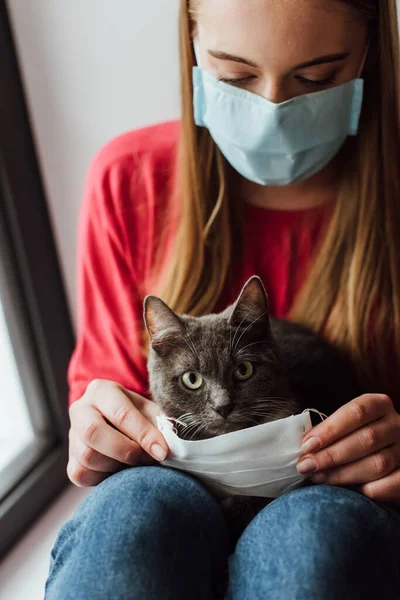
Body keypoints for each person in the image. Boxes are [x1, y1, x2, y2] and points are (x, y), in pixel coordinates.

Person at [45, 0, 400, 598]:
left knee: (316, 537)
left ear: (370, 52)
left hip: (331, 490)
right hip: (173, 478)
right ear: (191, 45)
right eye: (234, 76)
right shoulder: (126, 181)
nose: (271, 109)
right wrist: (95, 427)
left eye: (315, 78)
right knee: (130, 518)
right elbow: (102, 402)